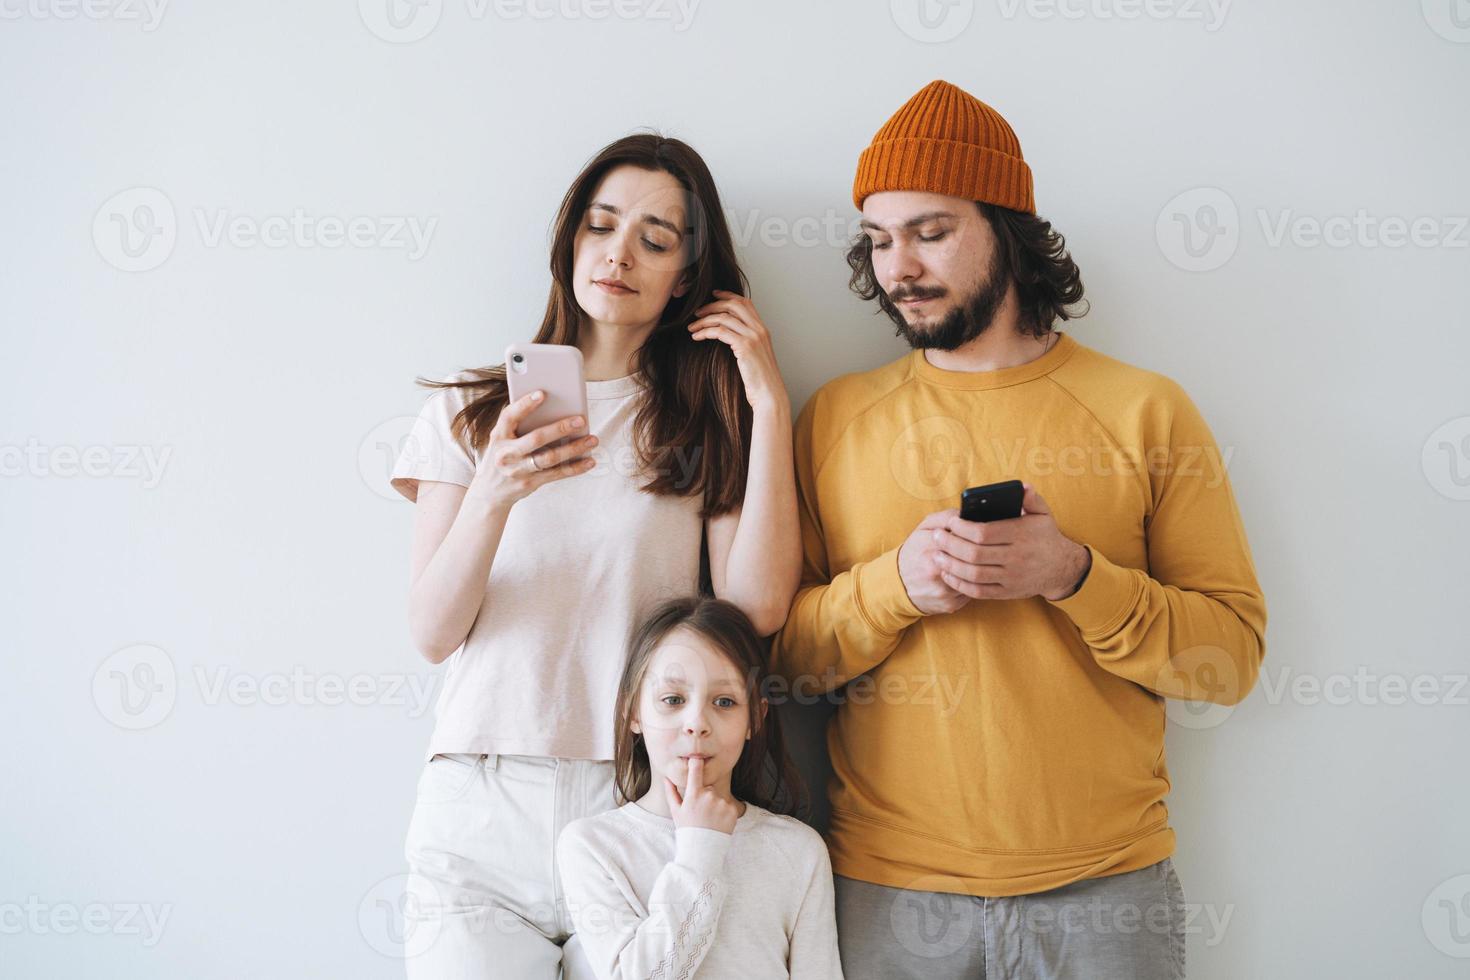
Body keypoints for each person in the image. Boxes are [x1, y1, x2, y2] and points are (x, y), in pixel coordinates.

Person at [769, 79, 1268, 979]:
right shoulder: (835, 418)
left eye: (931, 231)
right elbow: (779, 664)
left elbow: (1228, 661)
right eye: (880, 240)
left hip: (1107, 893)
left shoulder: (1145, 409)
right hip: (889, 893)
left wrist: (1075, 575)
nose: (899, 268)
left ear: (1008, 228)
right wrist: (897, 589)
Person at [389, 132, 801, 978]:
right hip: (481, 803)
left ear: (684, 275)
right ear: (570, 239)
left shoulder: (701, 421)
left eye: (654, 240)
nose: (619, 254)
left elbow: (756, 607)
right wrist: (497, 491)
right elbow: (432, 632)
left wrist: (768, 402)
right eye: (601, 227)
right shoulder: (471, 415)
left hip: (634, 802)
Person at [556, 596, 843, 980]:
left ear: (754, 719)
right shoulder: (592, 846)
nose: (696, 723)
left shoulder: (798, 850)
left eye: (724, 702)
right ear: (634, 713)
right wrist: (700, 849)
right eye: (672, 700)